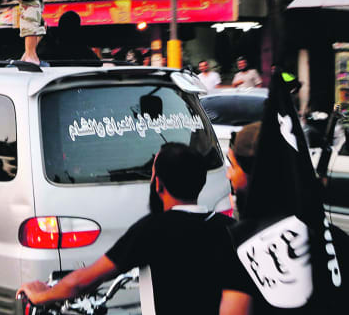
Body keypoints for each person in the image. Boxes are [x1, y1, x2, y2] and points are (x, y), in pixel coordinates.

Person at [18, 143, 235, 315]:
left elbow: (84, 281)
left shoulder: (153, 230)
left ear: (158, 184)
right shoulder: (227, 227)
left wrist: (42, 295)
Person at [219, 121, 349, 314]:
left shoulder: (245, 243)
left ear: (254, 176)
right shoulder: (336, 238)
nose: (229, 175)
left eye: (233, 166)